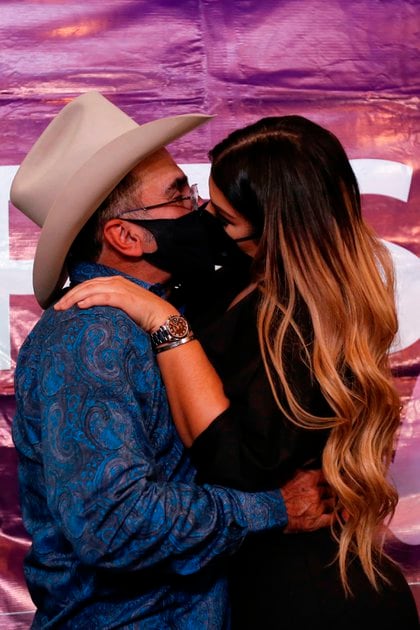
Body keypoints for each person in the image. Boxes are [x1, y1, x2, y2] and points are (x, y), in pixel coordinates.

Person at [56, 115, 420, 628]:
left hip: (306, 599)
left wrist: (166, 324)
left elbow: (243, 465)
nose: (202, 218)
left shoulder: (306, 317)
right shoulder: (235, 281)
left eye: (222, 218)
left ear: (275, 228)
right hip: (246, 586)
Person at [10, 93, 333, 629]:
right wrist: (276, 507)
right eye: (179, 194)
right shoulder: (89, 336)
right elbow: (113, 524)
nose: (201, 207)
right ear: (127, 236)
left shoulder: (173, 309)